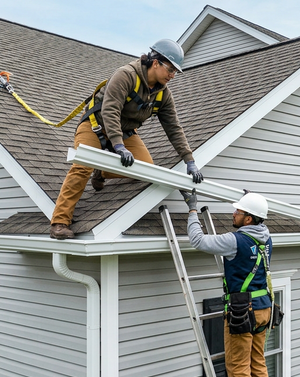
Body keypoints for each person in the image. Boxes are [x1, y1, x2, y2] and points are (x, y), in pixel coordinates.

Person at [50, 39, 203, 239]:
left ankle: (101, 172)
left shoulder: (163, 95)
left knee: (145, 169)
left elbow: (173, 127)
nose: (173, 76)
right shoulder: (126, 75)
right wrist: (118, 146)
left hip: (125, 132)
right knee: (82, 165)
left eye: (175, 72)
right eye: (170, 70)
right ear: (155, 62)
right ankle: (60, 222)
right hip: (96, 125)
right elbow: (110, 110)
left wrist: (189, 161)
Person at [180, 189, 274, 377]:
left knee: (238, 367)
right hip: (264, 309)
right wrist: (251, 198)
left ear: (249, 219)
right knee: (258, 365)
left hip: (243, 312)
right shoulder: (266, 238)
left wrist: (192, 210)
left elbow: (198, 241)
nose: (234, 213)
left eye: (239, 211)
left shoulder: (235, 241)